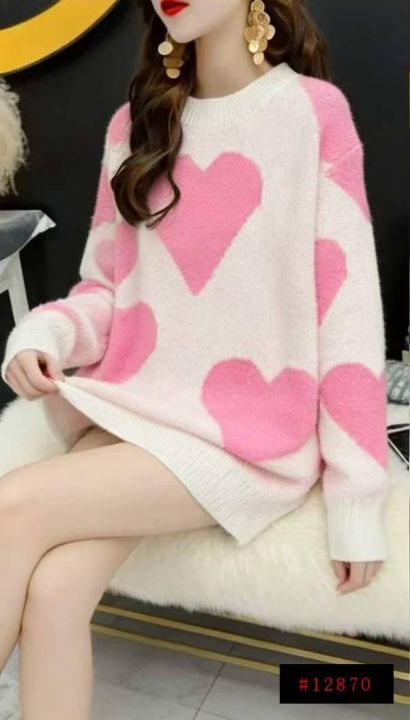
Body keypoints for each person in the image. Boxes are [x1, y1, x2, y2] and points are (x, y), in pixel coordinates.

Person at [0, 0, 389, 716]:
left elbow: (349, 319)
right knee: (54, 592)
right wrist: (42, 335)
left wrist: (357, 500)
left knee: (10, 507)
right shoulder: (135, 126)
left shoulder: (312, 116)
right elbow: (105, 291)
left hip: (244, 437)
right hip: (134, 410)